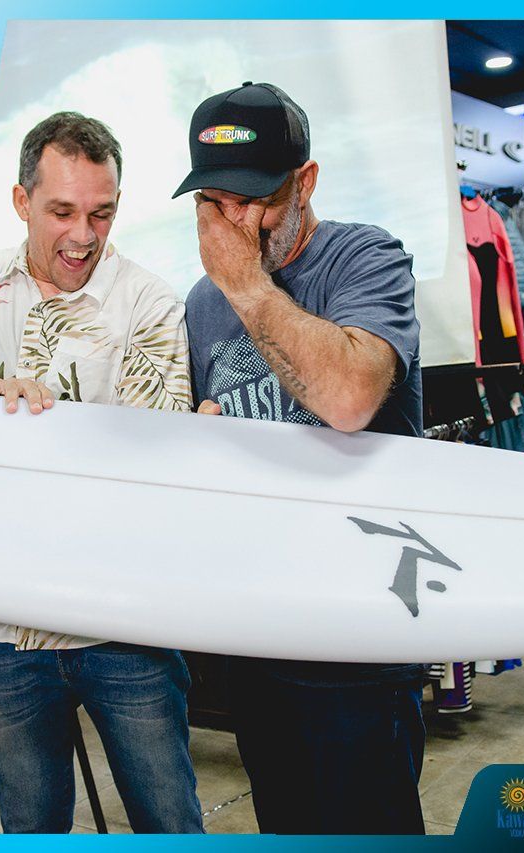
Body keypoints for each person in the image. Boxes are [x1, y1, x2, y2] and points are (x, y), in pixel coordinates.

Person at [0, 112, 201, 834]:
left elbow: (158, 461)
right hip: (1, 623)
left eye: (101, 213)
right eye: (62, 211)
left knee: (169, 821)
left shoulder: (148, 300)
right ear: (20, 200)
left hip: (124, 622)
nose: (83, 235)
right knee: (30, 826)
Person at [174, 82, 426, 834]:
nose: (236, 223)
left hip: (359, 628)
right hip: (259, 625)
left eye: (255, 200)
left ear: (305, 182)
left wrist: (246, 283)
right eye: (215, 202)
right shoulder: (201, 302)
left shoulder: (364, 258)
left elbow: (349, 398)